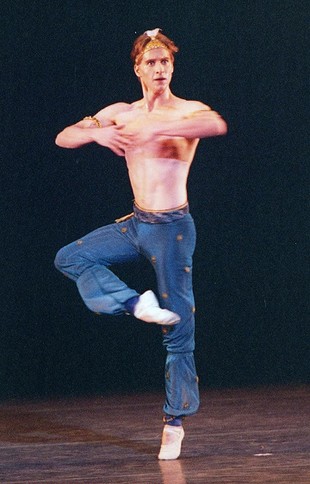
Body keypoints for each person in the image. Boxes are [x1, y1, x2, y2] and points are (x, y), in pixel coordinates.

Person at [54, 28, 227, 460]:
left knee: (179, 326)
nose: (159, 68)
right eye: (151, 62)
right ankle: (133, 304)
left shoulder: (187, 111)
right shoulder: (121, 112)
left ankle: (174, 422)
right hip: (136, 223)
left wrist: (158, 128)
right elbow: (64, 136)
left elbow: (215, 123)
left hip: (173, 229)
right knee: (72, 257)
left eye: (165, 61)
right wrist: (95, 133)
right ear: (138, 68)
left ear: (173, 66)